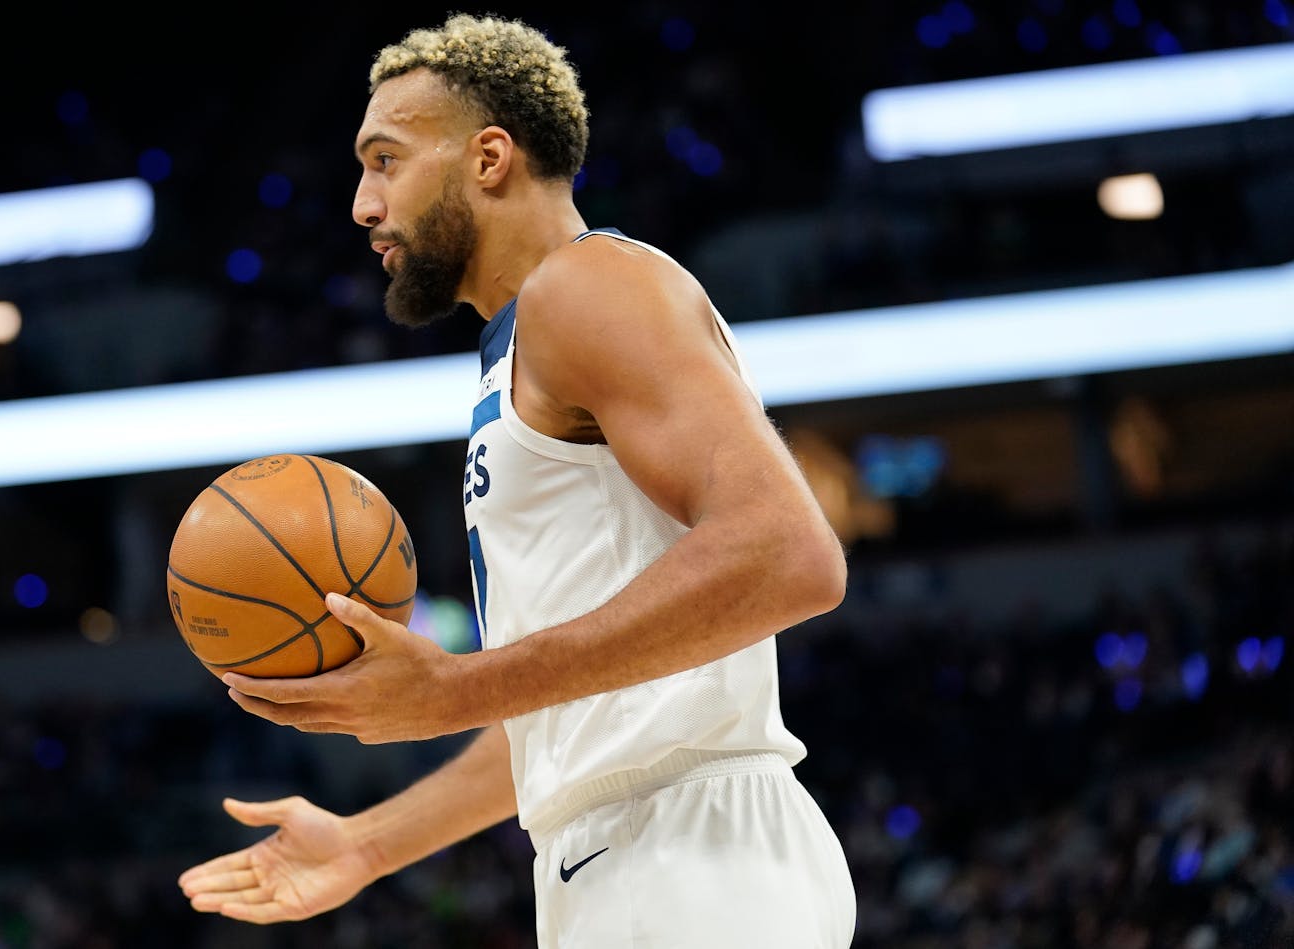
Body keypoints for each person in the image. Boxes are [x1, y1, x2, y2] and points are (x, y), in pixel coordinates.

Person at [178, 12, 856, 947]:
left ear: (488, 158)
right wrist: (369, 844)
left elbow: (792, 555)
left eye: (386, 161)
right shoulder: (530, 345)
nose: (362, 205)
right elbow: (570, 701)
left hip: (689, 858)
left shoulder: (586, 288)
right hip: (633, 855)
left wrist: (458, 688)